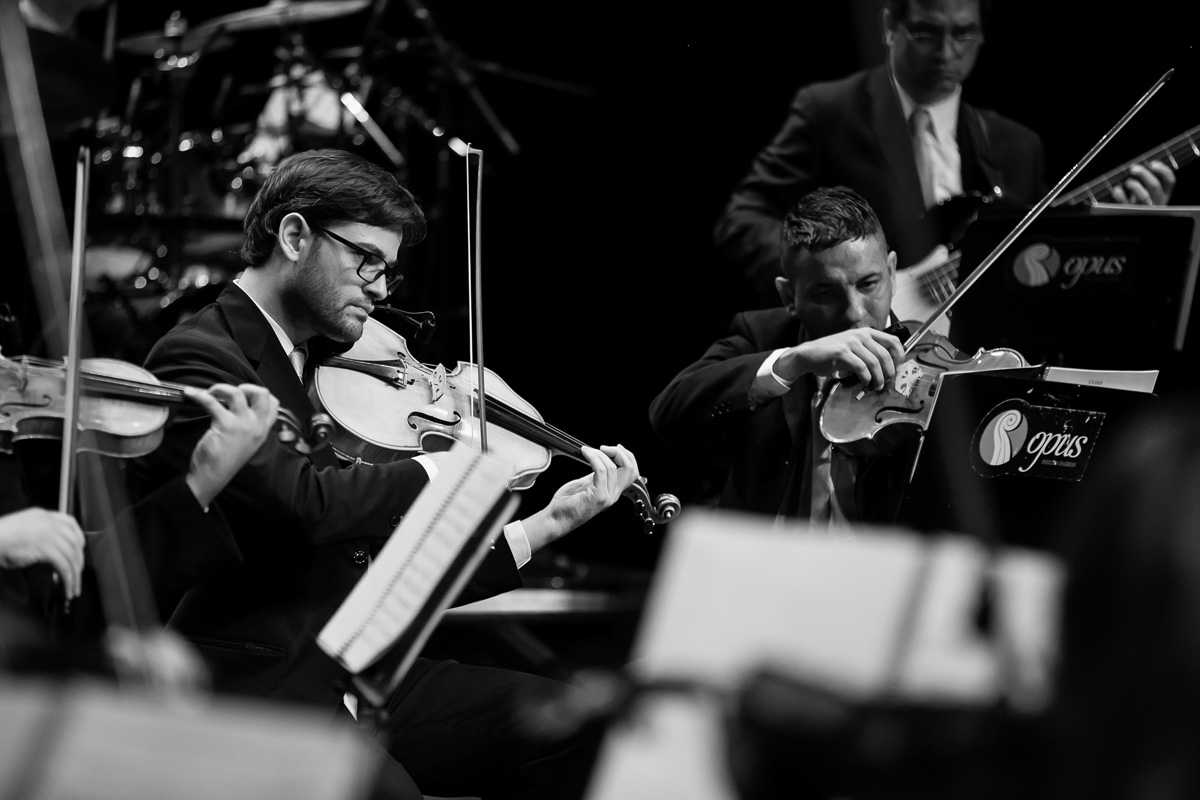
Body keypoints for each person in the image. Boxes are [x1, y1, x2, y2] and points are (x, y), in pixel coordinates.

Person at [133, 147, 642, 800]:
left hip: (356, 671)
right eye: (364, 260)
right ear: (294, 236)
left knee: (580, 727)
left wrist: (547, 525)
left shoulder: (311, 363)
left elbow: (375, 571)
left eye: (388, 271)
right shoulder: (201, 355)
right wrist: (451, 462)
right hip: (263, 684)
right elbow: (307, 507)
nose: (379, 288)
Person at [714, 0, 1176, 309]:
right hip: (855, 347)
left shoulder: (1016, 144)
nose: (947, 52)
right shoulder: (829, 110)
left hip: (969, 367)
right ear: (889, 28)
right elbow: (742, 219)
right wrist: (825, 286)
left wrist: (1126, 229)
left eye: (964, 35)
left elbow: (1042, 268)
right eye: (927, 33)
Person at [651, 185, 916, 525]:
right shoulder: (762, 336)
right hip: (761, 564)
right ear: (789, 295)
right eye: (826, 292)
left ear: (892, 273)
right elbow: (669, 417)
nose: (854, 313)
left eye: (868, 284)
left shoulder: (930, 366)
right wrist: (793, 361)